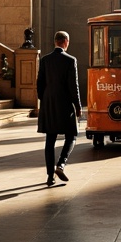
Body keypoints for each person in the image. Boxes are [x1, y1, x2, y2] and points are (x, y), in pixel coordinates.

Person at [36, 30, 81, 186]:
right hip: (65, 103)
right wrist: (78, 106)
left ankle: (50, 177)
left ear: (55, 41)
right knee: (72, 135)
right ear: (66, 41)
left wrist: (45, 99)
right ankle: (61, 164)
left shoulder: (45, 60)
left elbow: (39, 83)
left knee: (50, 139)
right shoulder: (70, 60)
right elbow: (73, 86)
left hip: (48, 103)